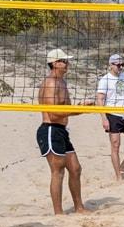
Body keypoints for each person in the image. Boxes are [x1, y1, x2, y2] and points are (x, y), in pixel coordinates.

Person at [37, 48, 87, 215]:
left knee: (75, 169)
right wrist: (78, 111)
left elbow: (64, 108)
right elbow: (53, 112)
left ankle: (79, 207)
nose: (67, 64)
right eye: (64, 61)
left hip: (61, 130)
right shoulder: (51, 82)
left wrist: (80, 107)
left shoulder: (62, 82)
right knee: (57, 172)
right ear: (54, 63)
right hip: (50, 129)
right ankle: (58, 213)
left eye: (66, 61)